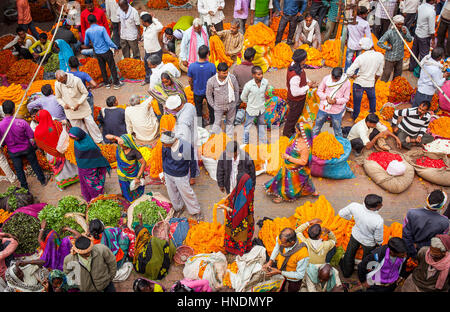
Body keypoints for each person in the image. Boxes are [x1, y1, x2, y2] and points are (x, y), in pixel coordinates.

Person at [0, 100, 48, 190]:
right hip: (26, 148)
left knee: (19, 170)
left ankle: (24, 187)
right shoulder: (22, 122)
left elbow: (1, 142)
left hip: (13, 151)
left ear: (3, 111)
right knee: (34, 164)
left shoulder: (0, 125)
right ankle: (42, 180)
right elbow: (31, 136)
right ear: (14, 109)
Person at [266, 122, 318, 203]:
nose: (295, 130)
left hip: (296, 168)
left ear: (302, 132)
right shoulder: (296, 137)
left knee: (287, 182)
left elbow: (303, 162)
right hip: (288, 164)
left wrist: (289, 157)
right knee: (305, 179)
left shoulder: (305, 147)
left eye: (297, 130)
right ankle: (313, 191)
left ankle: (282, 196)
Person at [338, 194, 384, 278]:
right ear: (375, 207)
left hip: (355, 235)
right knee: (366, 259)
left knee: (349, 254)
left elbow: (341, 213)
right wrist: (379, 243)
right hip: (369, 243)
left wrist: (350, 218)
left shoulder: (354, 206)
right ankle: (362, 275)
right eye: (380, 204)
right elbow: (378, 238)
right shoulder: (378, 220)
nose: (382, 205)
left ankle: (347, 272)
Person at [161, 131, 202, 220]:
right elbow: (163, 159)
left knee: (187, 193)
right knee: (172, 193)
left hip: (181, 175)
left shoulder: (185, 146)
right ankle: (179, 208)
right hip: (168, 173)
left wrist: (192, 177)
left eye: (165, 144)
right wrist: (164, 173)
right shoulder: (165, 145)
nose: (163, 146)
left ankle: (196, 211)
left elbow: (192, 162)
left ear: (171, 141)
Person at [34, 110, 79, 190]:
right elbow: (66, 131)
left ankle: (62, 184)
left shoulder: (37, 131)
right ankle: (77, 177)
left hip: (52, 153)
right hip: (64, 148)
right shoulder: (57, 123)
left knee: (60, 170)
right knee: (70, 164)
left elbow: (40, 144)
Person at [54, 70, 104, 144]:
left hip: (82, 107)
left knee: (91, 124)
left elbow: (85, 93)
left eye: (62, 80)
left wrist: (79, 103)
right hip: (70, 110)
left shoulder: (76, 80)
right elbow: (58, 97)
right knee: (79, 128)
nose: (61, 82)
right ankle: (87, 141)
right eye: (59, 81)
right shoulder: (58, 84)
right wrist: (64, 104)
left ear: (65, 76)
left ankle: (99, 140)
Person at [68, 127, 111, 202]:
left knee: (92, 184)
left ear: (80, 135)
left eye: (75, 138)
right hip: (82, 167)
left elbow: (96, 154)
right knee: (86, 183)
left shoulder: (89, 145)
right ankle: (90, 197)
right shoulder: (77, 141)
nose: (74, 140)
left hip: (90, 168)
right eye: (73, 138)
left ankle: (96, 198)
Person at [402, 190, 449, 258]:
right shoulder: (445, 222)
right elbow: (439, 242)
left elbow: (406, 235)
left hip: (408, 249)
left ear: (427, 199)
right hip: (427, 253)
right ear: (442, 207)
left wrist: (412, 252)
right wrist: (419, 246)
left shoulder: (411, 213)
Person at [346, 37, 384, 120]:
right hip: (370, 83)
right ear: (371, 46)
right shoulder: (380, 56)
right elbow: (379, 73)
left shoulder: (361, 57)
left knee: (357, 101)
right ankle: (373, 115)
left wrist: (352, 76)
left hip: (359, 82)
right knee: (372, 98)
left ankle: (356, 116)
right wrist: (374, 81)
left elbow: (349, 72)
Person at [283, 49, 317, 138]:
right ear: (302, 60)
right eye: (305, 58)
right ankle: (287, 133)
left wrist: (308, 82)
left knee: (294, 116)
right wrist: (307, 86)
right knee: (292, 117)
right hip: (296, 100)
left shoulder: (295, 65)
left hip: (297, 99)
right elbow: (295, 92)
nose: (306, 59)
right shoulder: (295, 76)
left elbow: (303, 77)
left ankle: (291, 129)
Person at [262, 227, 309, 292]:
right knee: (280, 286)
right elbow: (277, 247)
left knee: (292, 289)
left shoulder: (303, 254)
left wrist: (280, 272)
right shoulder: (281, 239)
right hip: (281, 269)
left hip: (294, 278)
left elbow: (299, 275)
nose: (281, 244)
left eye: (283, 243)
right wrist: (270, 261)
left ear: (292, 242)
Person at [218, 173, 255, 256]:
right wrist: (227, 197)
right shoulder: (248, 189)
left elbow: (237, 213)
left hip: (240, 221)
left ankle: (235, 250)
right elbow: (234, 192)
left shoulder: (243, 198)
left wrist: (225, 208)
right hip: (248, 219)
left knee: (239, 235)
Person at [83, 14, 123, 90]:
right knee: (112, 67)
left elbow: (86, 43)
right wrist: (115, 47)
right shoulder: (101, 29)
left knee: (102, 68)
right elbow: (108, 41)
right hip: (106, 51)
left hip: (97, 53)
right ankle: (116, 83)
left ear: (88, 22)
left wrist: (93, 43)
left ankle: (107, 84)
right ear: (96, 20)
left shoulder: (87, 31)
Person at [167, 95, 199, 184]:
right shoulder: (189, 105)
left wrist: (173, 138)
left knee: (189, 158)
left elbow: (183, 138)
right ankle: (194, 173)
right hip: (193, 133)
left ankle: (192, 176)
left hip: (187, 140)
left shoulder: (182, 122)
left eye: (172, 109)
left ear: (177, 108)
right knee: (194, 155)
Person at [132, 213, 176, 280]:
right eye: (146, 232)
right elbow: (166, 243)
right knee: (171, 246)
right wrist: (166, 231)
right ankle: (159, 269)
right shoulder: (153, 241)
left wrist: (140, 220)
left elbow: (142, 231)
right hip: (155, 267)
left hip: (143, 268)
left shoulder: (138, 243)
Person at [106, 134, 147, 202]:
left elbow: (143, 163)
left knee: (135, 190)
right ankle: (128, 201)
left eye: (124, 145)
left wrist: (138, 177)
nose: (122, 146)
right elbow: (107, 136)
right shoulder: (120, 146)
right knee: (125, 189)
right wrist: (116, 138)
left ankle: (136, 202)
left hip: (133, 174)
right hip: (122, 173)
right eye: (121, 145)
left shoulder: (135, 152)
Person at [313, 67, 350, 137]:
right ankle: (312, 141)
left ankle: (339, 143)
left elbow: (346, 98)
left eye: (336, 79)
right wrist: (326, 97)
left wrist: (335, 101)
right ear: (331, 74)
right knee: (317, 127)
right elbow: (319, 91)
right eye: (333, 78)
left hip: (336, 111)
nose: (334, 81)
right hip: (323, 108)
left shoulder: (346, 83)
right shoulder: (326, 79)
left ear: (340, 77)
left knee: (337, 130)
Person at [206, 62, 240, 138]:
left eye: (227, 72)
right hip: (218, 106)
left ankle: (228, 139)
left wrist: (234, 103)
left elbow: (236, 91)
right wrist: (213, 105)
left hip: (231, 105)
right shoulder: (211, 81)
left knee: (230, 122)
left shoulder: (232, 78)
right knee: (217, 123)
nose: (226, 75)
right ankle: (214, 139)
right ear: (218, 72)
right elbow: (208, 95)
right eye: (224, 73)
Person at [187, 45, 217, 127]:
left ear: (198, 53)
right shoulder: (212, 66)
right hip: (209, 92)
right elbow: (215, 80)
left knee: (198, 109)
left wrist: (192, 87)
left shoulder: (192, 66)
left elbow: (190, 80)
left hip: (197, 91)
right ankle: (212, 123)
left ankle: (200, 126)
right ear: (208, 54)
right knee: (211, 108)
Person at [378, 15, 413, 82]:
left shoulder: (404, 29)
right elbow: (380, 43)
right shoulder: (389, 32)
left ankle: (394, 88)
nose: (400, 26)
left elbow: (409, 40)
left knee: (398, 75)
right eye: (398, 24)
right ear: (394, 24)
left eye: (402, 24)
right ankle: (382, 87)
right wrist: (388, 47)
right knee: (386, 74)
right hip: (390, 58)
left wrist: (406, 34)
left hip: (400, 57)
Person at [241, 65, 270, 144]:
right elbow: (243, 97)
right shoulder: (248, 85)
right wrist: (250, 103)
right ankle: (245, 142)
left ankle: (263, 141)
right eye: (258, 74)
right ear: (253, 75)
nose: (261, 76)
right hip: (251, 110)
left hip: (261, 109)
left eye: (261, 74)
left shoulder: (265, 82)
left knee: (261, 125)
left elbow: (267, 92)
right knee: (247, 127)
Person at [409, 0, 436, 72]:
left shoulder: (421, 7)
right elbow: (431, 29)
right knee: (424, 56)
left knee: (414, 52)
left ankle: (411, 67)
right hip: (424, 36)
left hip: (417, 33)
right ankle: (422, 72)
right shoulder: (431, 11)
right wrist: (433, 39)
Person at [344, 6, 372, 71]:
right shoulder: (365, 23)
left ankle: (346, 73)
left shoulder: (350, 20)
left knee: (348, 60)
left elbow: (345, 31)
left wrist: (345, 40)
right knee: (358, 61)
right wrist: (370, 47)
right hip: (360, 45)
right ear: (362, 14)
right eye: (366, 13)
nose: (366, 15)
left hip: (351, 44)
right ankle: (356, 73)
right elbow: (369, 37)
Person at [141, 12, 163, 86]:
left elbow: (161, 26)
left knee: (158, 67)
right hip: (148, 51)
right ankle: (148, 79)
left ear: (146, 22)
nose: (141, 23)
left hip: (156, 51)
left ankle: (159, 81)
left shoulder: (155, 27)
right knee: (147, 66)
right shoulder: (145, 28)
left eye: (142, 21)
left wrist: (153, 19)